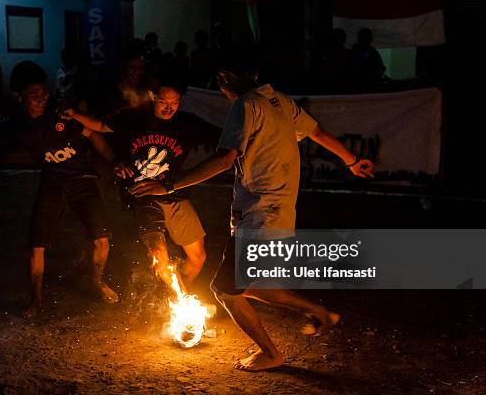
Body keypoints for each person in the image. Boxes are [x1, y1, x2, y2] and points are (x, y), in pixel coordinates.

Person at [130, 47, 374, 371]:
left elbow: (225, 158)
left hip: (259, 211)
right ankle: (318, 312)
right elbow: (319, 133)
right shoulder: (281, 102)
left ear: (227, 78)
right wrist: (352, 161)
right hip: (279, 210)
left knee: (226, 292)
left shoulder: (245, 105)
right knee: (251, 284)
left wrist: (169, 185)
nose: (221, 84)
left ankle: (271, 353)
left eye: (222, 78)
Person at [0, 61, 124, 318]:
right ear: (18, 96)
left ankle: (98, 281)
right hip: (52, 181)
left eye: (43, 91)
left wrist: (114, 160)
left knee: (102, 239)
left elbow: (95, 133)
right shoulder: (15, 128)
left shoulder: (60, 112)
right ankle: (36, 299)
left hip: (82, 178)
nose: (41, 97)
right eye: (33, 94)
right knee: (36, 245)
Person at [63, 74, 220, 293]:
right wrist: (75, 115)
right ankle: (182, 303)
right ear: (151, 96)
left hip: (173, 192)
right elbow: (99, 125)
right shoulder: (133, 118)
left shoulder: (188, 123)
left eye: (175, 102)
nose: (169, 107)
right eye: (164, 101)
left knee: (198, 257)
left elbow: (223, 140)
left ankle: (172, 299)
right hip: (140, 193)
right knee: (158, 251)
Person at [350, 28, 386, 92]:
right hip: (363, 84)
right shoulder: (370, 51)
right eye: (366, 37)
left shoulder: (372, 51)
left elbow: (381, 67)